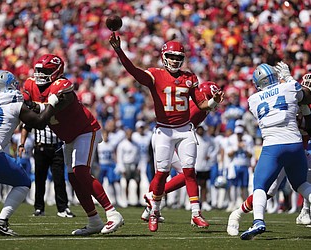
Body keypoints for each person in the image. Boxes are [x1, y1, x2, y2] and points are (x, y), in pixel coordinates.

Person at [110, 34, 224, 232]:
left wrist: (213, 101)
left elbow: (202, 104)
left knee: (189, 171)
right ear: (164, 57)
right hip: (164, 130)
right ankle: (154, 210)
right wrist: (119, 51)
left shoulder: (190, 77)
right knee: (161, 174)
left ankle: (196, 213)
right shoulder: (156, 75)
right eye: (171, 56)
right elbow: (134, 71)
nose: (174, 60)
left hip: (184, 130)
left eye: (178, 57)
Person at [20, 54, 124, 236]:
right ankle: (94, 221)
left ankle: (112, 213)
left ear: (56, 72)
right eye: (39, 70)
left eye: (46, 71)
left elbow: (47, 114)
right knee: (75, 179)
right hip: (68, 137)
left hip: (85, 130)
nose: (40, 74)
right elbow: (24, 102)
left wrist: (35, 107)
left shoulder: (62, 86)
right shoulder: (30, 84)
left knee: (81, 171)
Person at [0, 70, 60, 236]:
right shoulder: (14, 102)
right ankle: (1, 221)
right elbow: (39, 123)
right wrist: (52, 104)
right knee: (23, 182)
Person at [240, 62, 311, 240]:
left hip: (273, 145)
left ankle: (258, 221)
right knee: (301, 184)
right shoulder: (288, 87)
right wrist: (289, 78)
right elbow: (306, 97)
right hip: (295, 144)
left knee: (260, 185)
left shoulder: (253, 100)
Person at [140, 81, 219, 222]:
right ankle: (154, 196)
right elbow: (180, 124)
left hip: (174, 137)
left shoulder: (201, 105)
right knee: (180, 174)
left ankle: (150, 209)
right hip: (170, 137)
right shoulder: (197, 106)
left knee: (176, 174)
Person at [19, 124, 75, 218]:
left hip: (57, 148)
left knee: (59, 179)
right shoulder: (36, 111)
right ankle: (39, 208)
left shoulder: (58, 110)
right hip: (41, 148)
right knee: (40, 180)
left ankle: (63, 208)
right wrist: (21, 144)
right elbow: (26, 127)